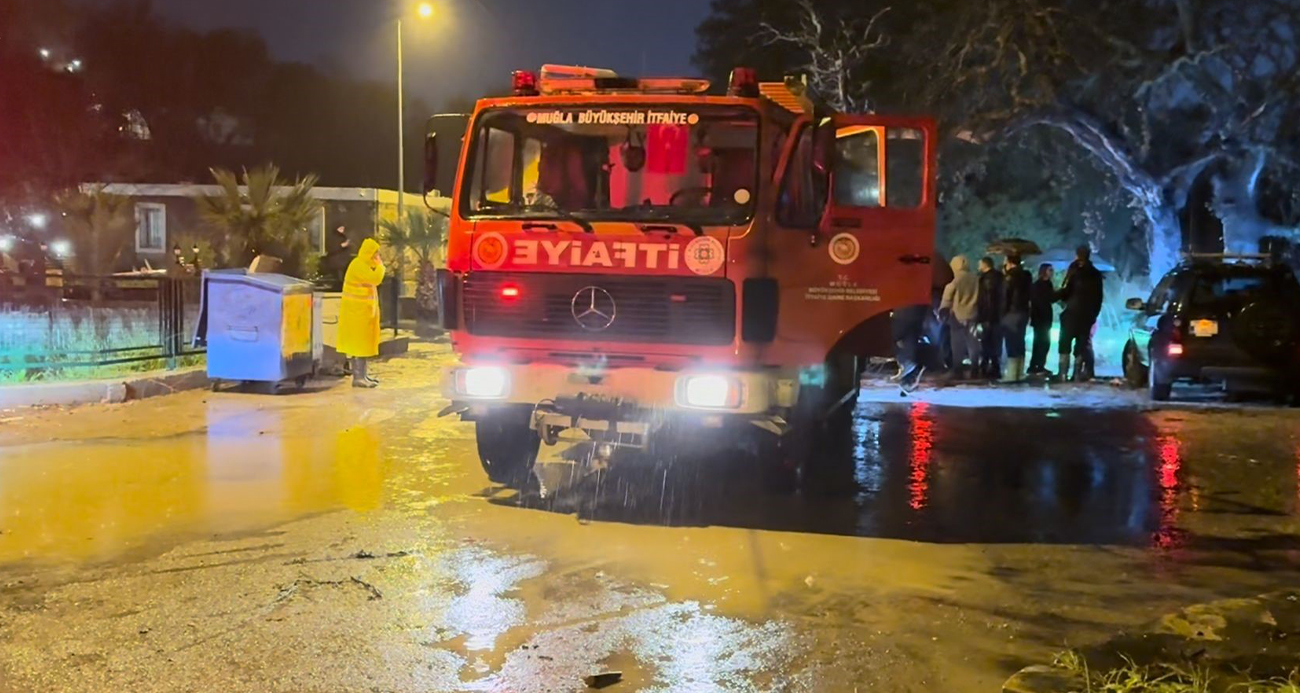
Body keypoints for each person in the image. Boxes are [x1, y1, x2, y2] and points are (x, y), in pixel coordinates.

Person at [339, 238, 385, 388]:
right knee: (359, 346)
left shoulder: (363, 265)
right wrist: (381, 266)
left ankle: (363, 375)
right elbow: (376, 279)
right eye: (375, 253)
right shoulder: (358, 266)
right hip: (356, 314)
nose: (377, 256)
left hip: (362, 313)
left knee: (363, 345)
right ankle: (358, 378)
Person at [1057, 244, 1104, 382]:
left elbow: (1066, 290)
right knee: (1081, 344)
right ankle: (1076, 373)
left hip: (1071, 312)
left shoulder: (1073, 271)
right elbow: (1099, 297)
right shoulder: (1096, 274)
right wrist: (1093, 314)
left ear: (1077, 255)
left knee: (1065, 342)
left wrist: (1059, 298)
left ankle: (1063, 374)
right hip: (1087, 314)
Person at [940, 255, 981, 380]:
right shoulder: (976, 279)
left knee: (957, 344)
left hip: (957, 316)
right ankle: (975, 368)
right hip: (973, 314)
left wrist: (943, 309)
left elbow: (948, 295)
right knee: (973, 342)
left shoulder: (956, 280)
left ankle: (957, 369)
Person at [1000, 253, 1032, 382]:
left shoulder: (1010, 277)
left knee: (1011, 342)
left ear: (1009, 262)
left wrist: (1002, 314)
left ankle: (1012, 374)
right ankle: (1019, 372)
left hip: (1011, 313)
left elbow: (1005, 297)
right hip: (1023, 312)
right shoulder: (1027, 275)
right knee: (1020, 341)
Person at [976, 256, 1004, 379]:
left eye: (980, 264)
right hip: (998, 315)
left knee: (986, 343)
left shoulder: (986, 279)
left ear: (985, 265)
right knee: (995, 343)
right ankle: (995, 367)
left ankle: (985, 367)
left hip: (988, 315)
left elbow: (985, 299)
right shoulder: (1000, 277)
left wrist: (982, 316)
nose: (978, 266)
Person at [1028, 263, 1057, 375]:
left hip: (1042, 317)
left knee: (1042, 342)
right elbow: (1046, 299)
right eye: (1050, 270)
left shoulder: (1045, 284)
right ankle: (1037, 365)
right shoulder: (1040, 285)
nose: (1052, 273)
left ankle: (1037, 365)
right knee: (1041, 342)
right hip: (1041, 317)